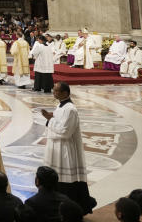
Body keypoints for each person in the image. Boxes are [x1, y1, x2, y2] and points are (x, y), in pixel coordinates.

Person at [42, 83, 95, 214]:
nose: (54, 92)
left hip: (65, 148)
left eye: (56, 91)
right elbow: (59, 122)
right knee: (57, 178)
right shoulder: (61, 105)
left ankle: (71, 210)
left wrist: (50, 119)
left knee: (66, 181)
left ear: (65, 93)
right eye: (53, 90)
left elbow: (65, 131)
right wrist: (52, 117)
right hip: (57, 146)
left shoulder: (70, 109)